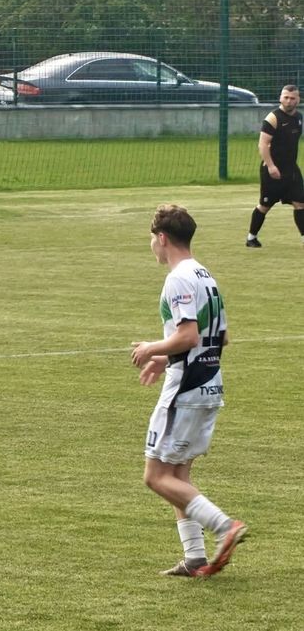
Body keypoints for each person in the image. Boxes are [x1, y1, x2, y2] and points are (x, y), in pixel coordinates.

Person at [131, 204, 247, 577]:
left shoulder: (179, 278)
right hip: (209, 383)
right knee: (178, 476)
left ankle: (224, 526)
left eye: (152, 238)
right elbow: (221, 336)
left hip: (187, 389)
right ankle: (195, 557)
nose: (152, 245)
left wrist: (152, 347)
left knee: (156, 476)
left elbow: (189, 335)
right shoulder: (205, 276)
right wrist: (167, 358)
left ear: (162, 238)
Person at [246, 84, 303, 248]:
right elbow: (263, 144)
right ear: (280, 98)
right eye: (286, 97)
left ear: (298, 99)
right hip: (273, 170)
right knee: (265, 205)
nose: (289, 101)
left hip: (291, 169)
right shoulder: (273, 118)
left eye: (292, 98)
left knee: (300, 203)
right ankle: (251, 238)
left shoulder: (299, 118)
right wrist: (271, 166)